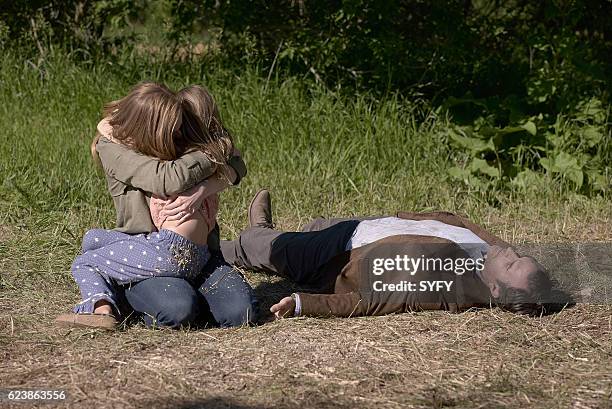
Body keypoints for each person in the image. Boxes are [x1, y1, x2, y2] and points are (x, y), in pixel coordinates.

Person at [56, 82, 256, 330]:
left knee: (240, 313)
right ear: (150, 125)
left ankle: (188, 293)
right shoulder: (113, 147)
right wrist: (215, 151)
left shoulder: (172, 140)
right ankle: (115, 295)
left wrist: (205, 188)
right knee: (177, 311)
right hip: (150, 246)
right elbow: (166, 179)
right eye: (173, 129)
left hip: (199, 254)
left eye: (181, 127)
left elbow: (237, 163)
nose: (178, 134)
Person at [221, 190, 568, 319]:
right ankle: (264, 233)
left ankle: (240, 240)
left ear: (495, 290)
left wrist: (302, 304)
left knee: (252, 249)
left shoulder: (442, 285)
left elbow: (377, 300)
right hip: (366, 227)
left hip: (338, 256)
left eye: (511, 262)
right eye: (518, 254)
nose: (508, 250)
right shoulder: (492, 254)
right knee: (310, 227)